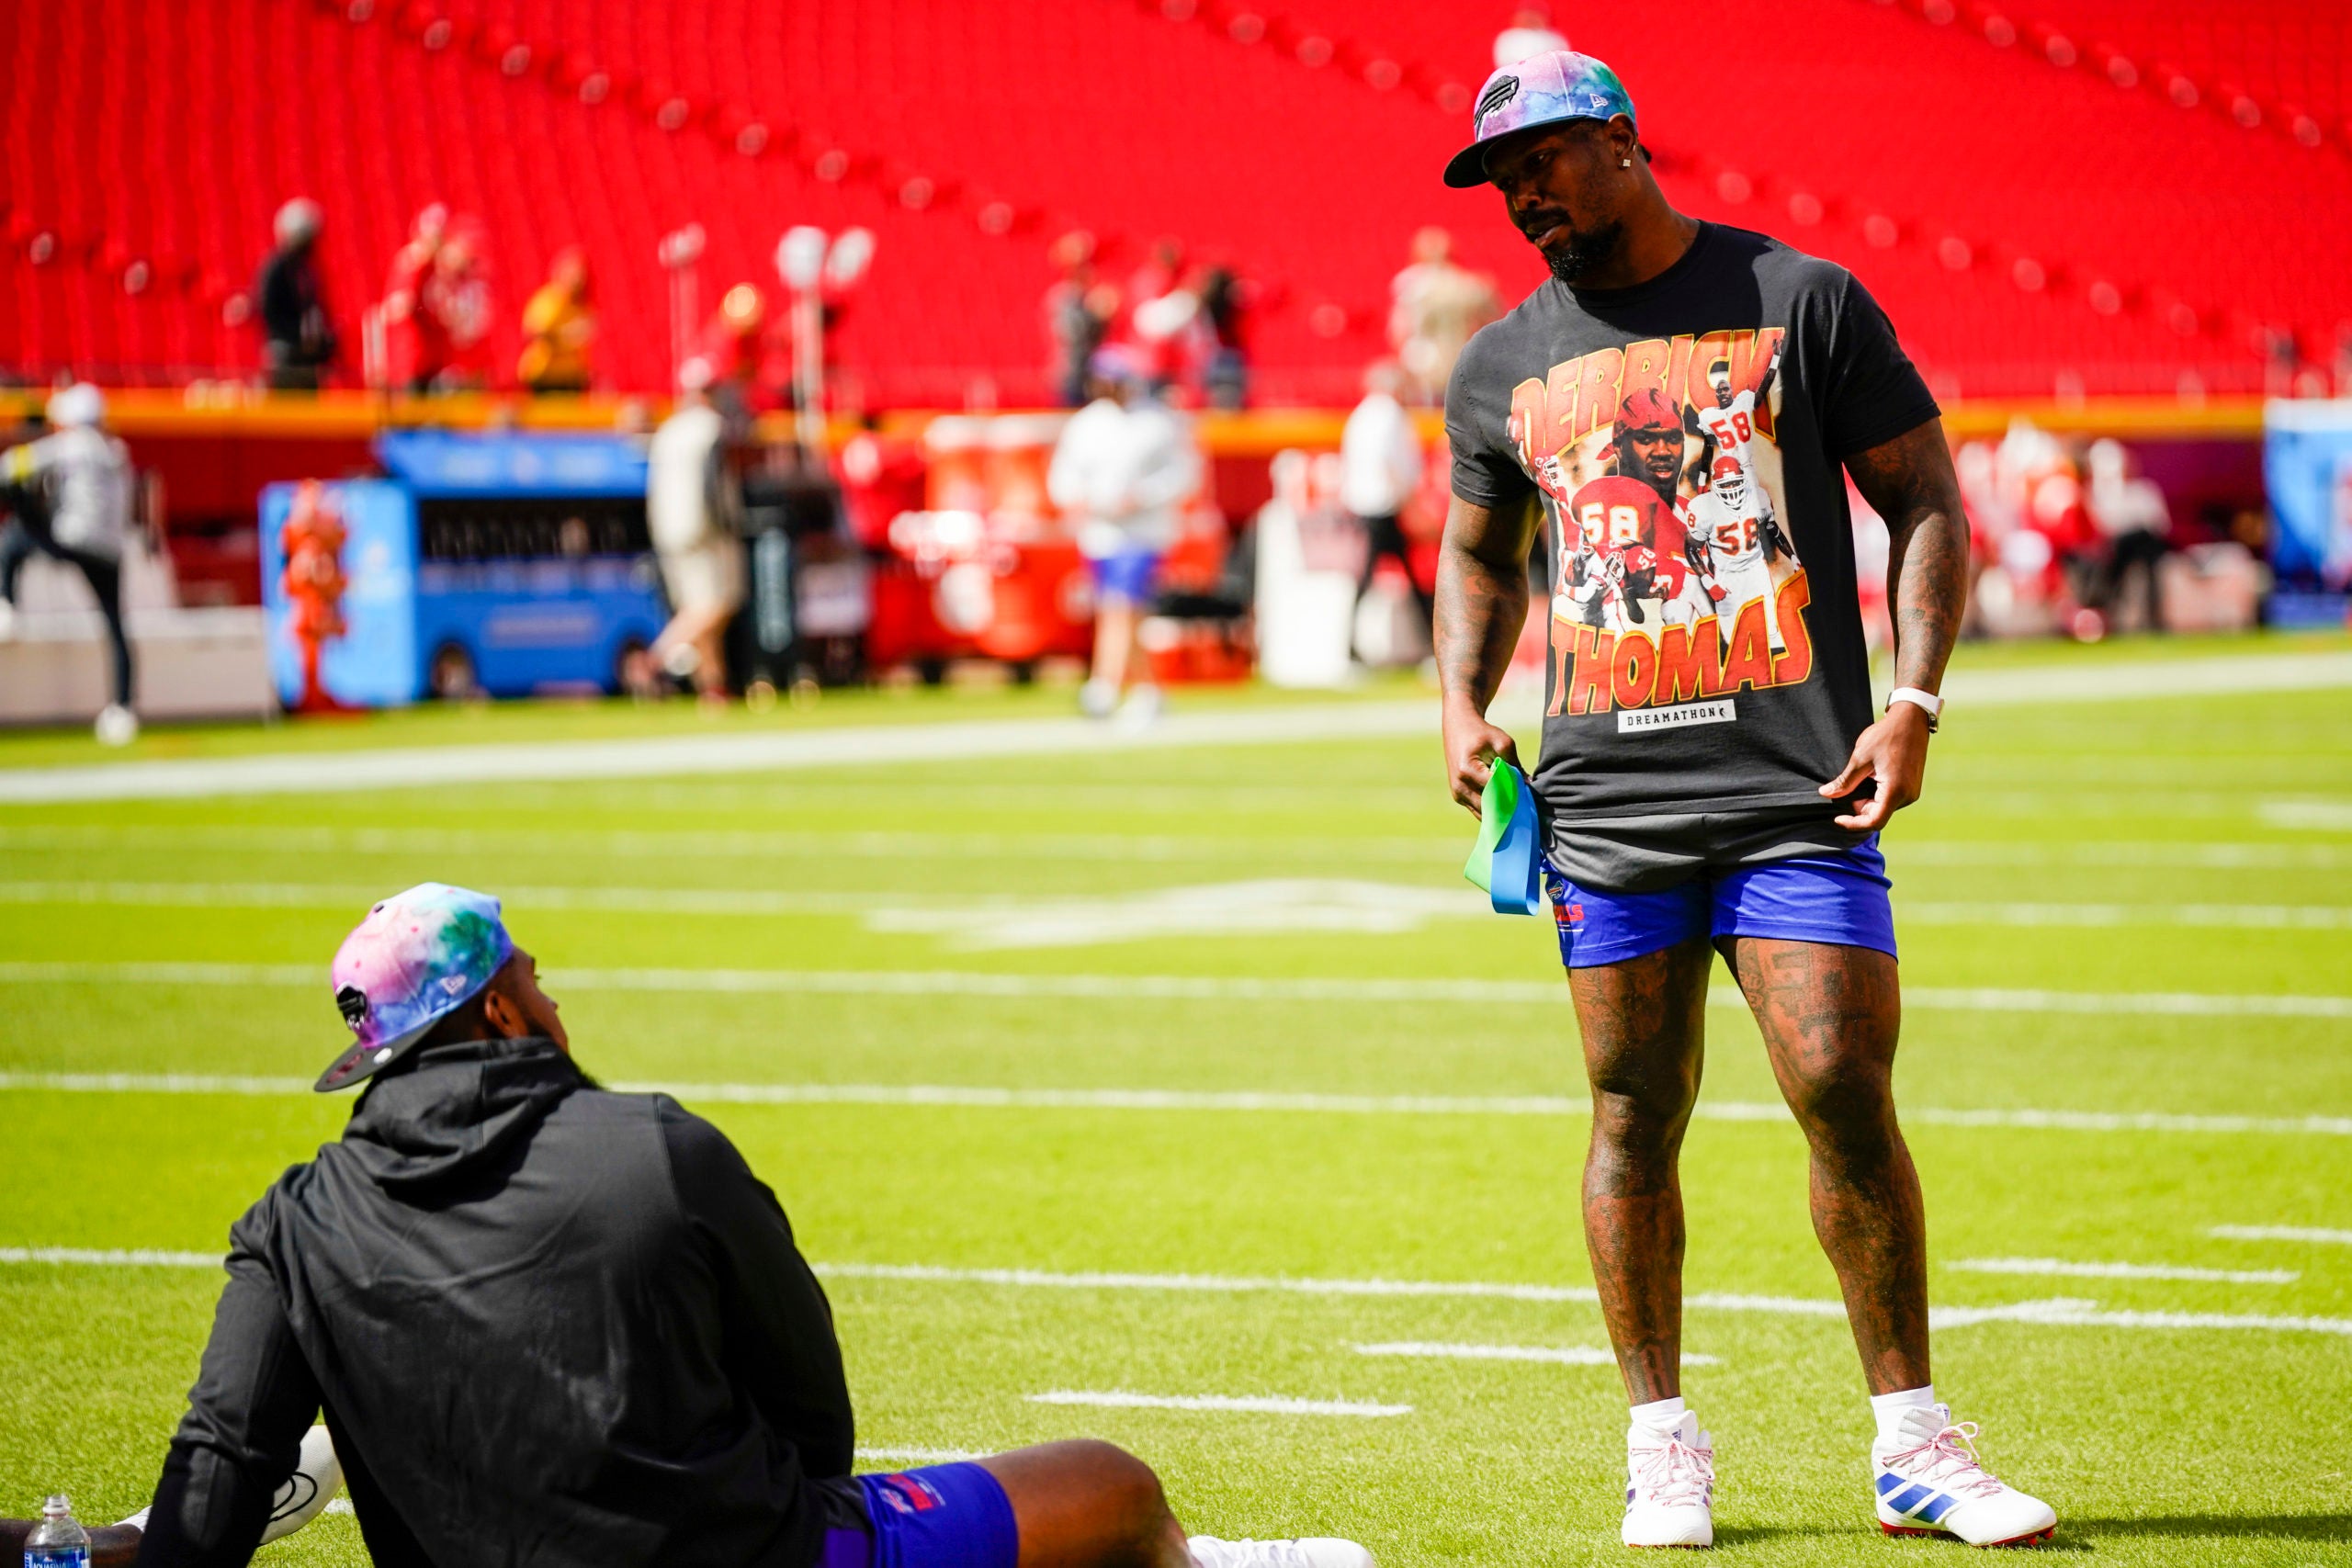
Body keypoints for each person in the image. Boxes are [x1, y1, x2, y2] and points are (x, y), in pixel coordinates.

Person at [1431, 50, 2056, 1550]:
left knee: (1841, 1079)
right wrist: (1456, 697)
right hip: (1605, 799)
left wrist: (1913, 701)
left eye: (1544, 165)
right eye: (1502, 181)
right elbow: (1473, 549)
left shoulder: (1801, 297)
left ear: (1625, 143)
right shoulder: (1498, 360)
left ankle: (1913, 1439)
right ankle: (1663, 1444)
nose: (1525, 200)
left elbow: (1925, 499)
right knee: (1632, 1113)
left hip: (1798, 782)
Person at [91, 882, 1375, 1568]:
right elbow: (814, 1405)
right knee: (1115, 1486)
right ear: (492, 1011)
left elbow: (209, 1495)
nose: (552, 987)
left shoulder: (294, 1221)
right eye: (530, 970)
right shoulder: (651, 1143)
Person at [1048, 349, 1201, 724]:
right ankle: (1149, 690)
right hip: (1099, 532)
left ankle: (1103, 686)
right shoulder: (1086, 425)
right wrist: (1078, 499)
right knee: (1119, 610)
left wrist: (1142, 497)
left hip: (1143, 531)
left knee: (1120, 605)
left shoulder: (1159, 423)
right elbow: (1063, 477)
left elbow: (1184, 475)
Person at [0, 383, 139, 744]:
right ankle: (123, 708)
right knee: (116, 625)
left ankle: (7, 605)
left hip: (72, 539)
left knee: (13, 538)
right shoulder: (118, 451)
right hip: (111, 550)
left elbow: (11, 467)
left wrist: (25, 499)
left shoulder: (69, 445)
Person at [646, 362, 746, 702]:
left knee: (695, 604)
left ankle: (713, 687)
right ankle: (655, 658)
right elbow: (712, 482)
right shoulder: (711, 427)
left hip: (667, 527)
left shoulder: (669, 429)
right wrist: (728, 523)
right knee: (716, 604)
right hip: (704, 527)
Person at [1339, 362, 1430, 639]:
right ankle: (1428, 638)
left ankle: (1350, 645)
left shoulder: (1361, 413)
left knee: (1371, 577)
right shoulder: (1390, 414)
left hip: (1364, 506)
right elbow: (1392, 463)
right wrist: (1407, 499)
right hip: (1385, 507)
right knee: (1387, 576)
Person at [1387, 229, 1499, 406]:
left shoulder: (1410, 285)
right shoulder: (1471, 286)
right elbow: (1495, 325)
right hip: (1462, 364)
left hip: (1422, 365)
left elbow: (1399, 331)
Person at [254, 198, 335, 390]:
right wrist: (298, 338)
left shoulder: (306, 270)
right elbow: (269, 310)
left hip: (306, 359)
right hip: (287, 355)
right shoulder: (277, 268)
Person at [517, 247, 598, 393]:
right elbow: (533, 333)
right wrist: (565, 338)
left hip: (571, 378)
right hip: (546, 377)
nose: (577, 279)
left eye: (580, 274)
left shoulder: (582, 306)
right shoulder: (550, 300)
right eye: (573, 273)